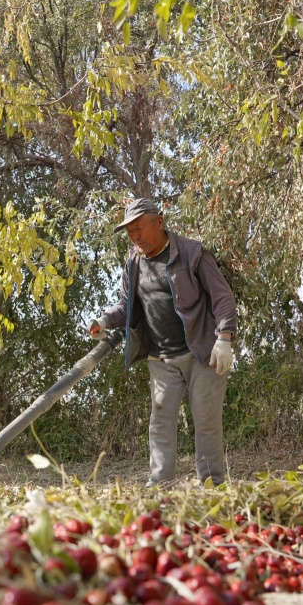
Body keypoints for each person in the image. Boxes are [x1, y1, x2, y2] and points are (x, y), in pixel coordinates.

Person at [89, 198, 238, 487]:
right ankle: (160, 487)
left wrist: (224, 337)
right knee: (160, 423)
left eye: (139, 229)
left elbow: (222, 297)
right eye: (130, 232)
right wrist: (105, 321)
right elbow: (125, 305)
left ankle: (213, 486)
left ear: (159, 221)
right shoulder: (133, 262)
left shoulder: (192, 253)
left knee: (206, 423)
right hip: (161, 358)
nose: (136, 237)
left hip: (202, 353)